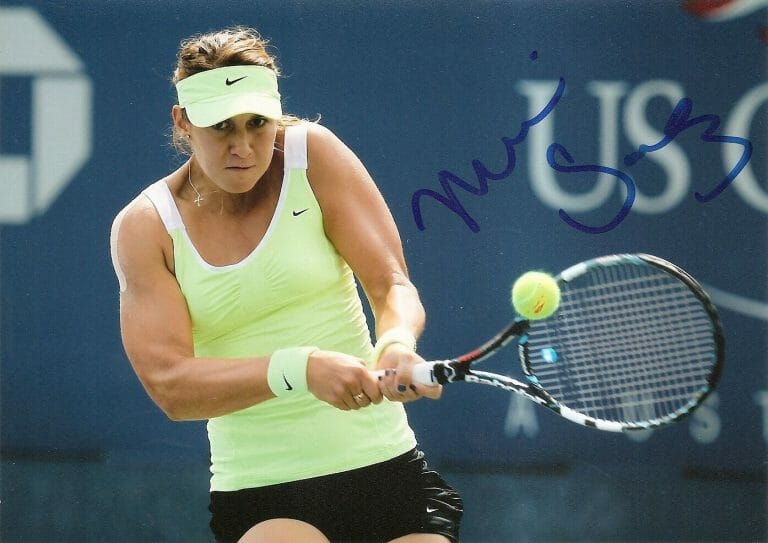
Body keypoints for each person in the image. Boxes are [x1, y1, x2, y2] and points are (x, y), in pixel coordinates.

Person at [109, 26, 462, 543]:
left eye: (258, 123)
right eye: (221, 127)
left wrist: (395, 342)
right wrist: (299, 369)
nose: (243, 146)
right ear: (182, 122)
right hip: (263, 494)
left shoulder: (312, 155)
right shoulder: (146, 227)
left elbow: (391, 286)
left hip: (388, 471)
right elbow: (171, 386)